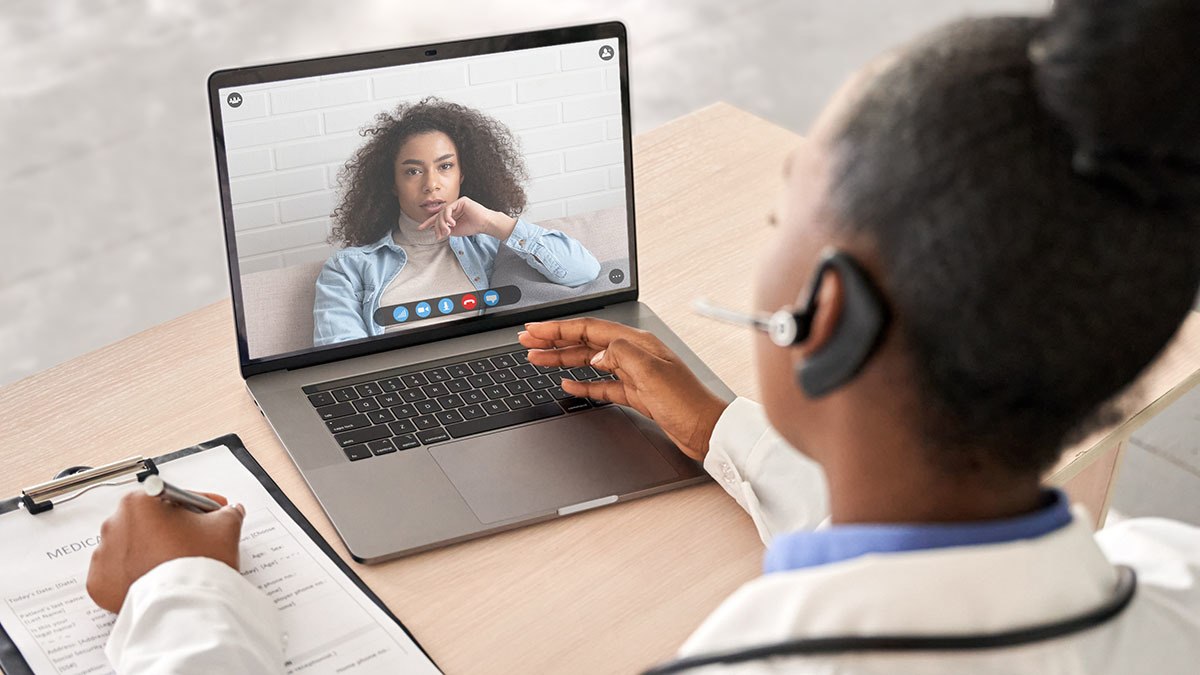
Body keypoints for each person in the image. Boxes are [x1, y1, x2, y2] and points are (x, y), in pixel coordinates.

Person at [88, 0, 1200, 672]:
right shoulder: (1171, 580)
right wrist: (725, 430)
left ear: (822, 319)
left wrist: (183, 597)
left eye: (781, 213)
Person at [313, 97, 601, 346]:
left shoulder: (493, 242)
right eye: (413, 171)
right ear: (392, 184)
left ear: (463, 174)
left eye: (445, 166)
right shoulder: (348, 269)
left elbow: (584, 272)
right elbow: (341, 363)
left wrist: (493, 222)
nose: (431, 184)